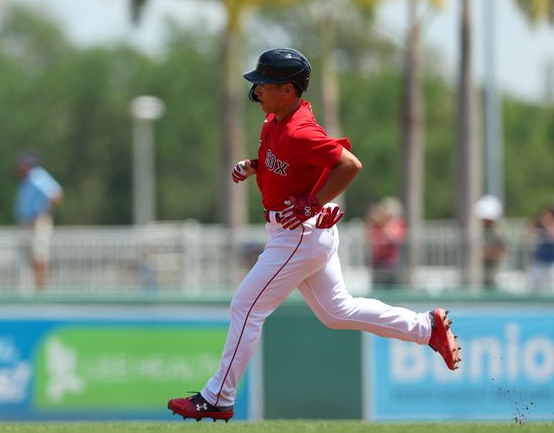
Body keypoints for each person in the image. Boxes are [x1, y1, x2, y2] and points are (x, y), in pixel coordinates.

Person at [167, 48, 460, 422]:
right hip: (301, 232)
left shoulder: (301, 129)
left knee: (246, 306)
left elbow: (348, 164)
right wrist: (256, 166)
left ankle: (217, 397)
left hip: (298, 235)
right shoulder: (276, 120)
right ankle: (425, 327)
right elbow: (289, 165)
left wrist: (313, 202)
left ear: (288, 90)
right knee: (337, 312)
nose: (256, 91)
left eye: (264, 85)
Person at [14, 151, 63, 291]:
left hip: (37, 222)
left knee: (39, 255)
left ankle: (41, 289)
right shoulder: (27, 180)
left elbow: (56, 193)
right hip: (28, 223)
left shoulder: (37, 176)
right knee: (30, 256)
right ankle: (34, 287)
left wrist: (43, 212)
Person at [365, 197, 406, 288]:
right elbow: (369, 237)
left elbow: (393, 237)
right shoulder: (377, 225)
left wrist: (383, 225)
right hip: (376, 260)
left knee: (390, 285)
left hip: (390, 261)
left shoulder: (396, 223)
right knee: (377, 285)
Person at [473, 194, 508, 290]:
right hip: (479, 276)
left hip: (491, 275)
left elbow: (503, 252)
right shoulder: (481, 232)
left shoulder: (497, 234)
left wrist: (485, 253)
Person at [529, 204, 554, 292]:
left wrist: (547, 226)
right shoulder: (539, 227)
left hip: (551, 263)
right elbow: (527, 238)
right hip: (539, 261)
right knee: (534, 288)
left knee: (550, 289)